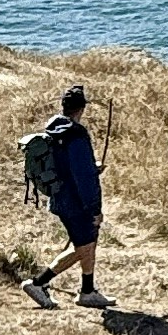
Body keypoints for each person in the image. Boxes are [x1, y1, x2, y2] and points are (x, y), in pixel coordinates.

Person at [27, 84, 108, 308]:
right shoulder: (77, 135)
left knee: (86, 244)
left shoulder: (54, 131)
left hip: (60, 197)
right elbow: (83, 178)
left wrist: (92, 167)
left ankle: (88, 291)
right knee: (83, 247)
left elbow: (67, 166)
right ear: (82, 109)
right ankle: (38, 284)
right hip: (76, 203)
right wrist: (95, 210)